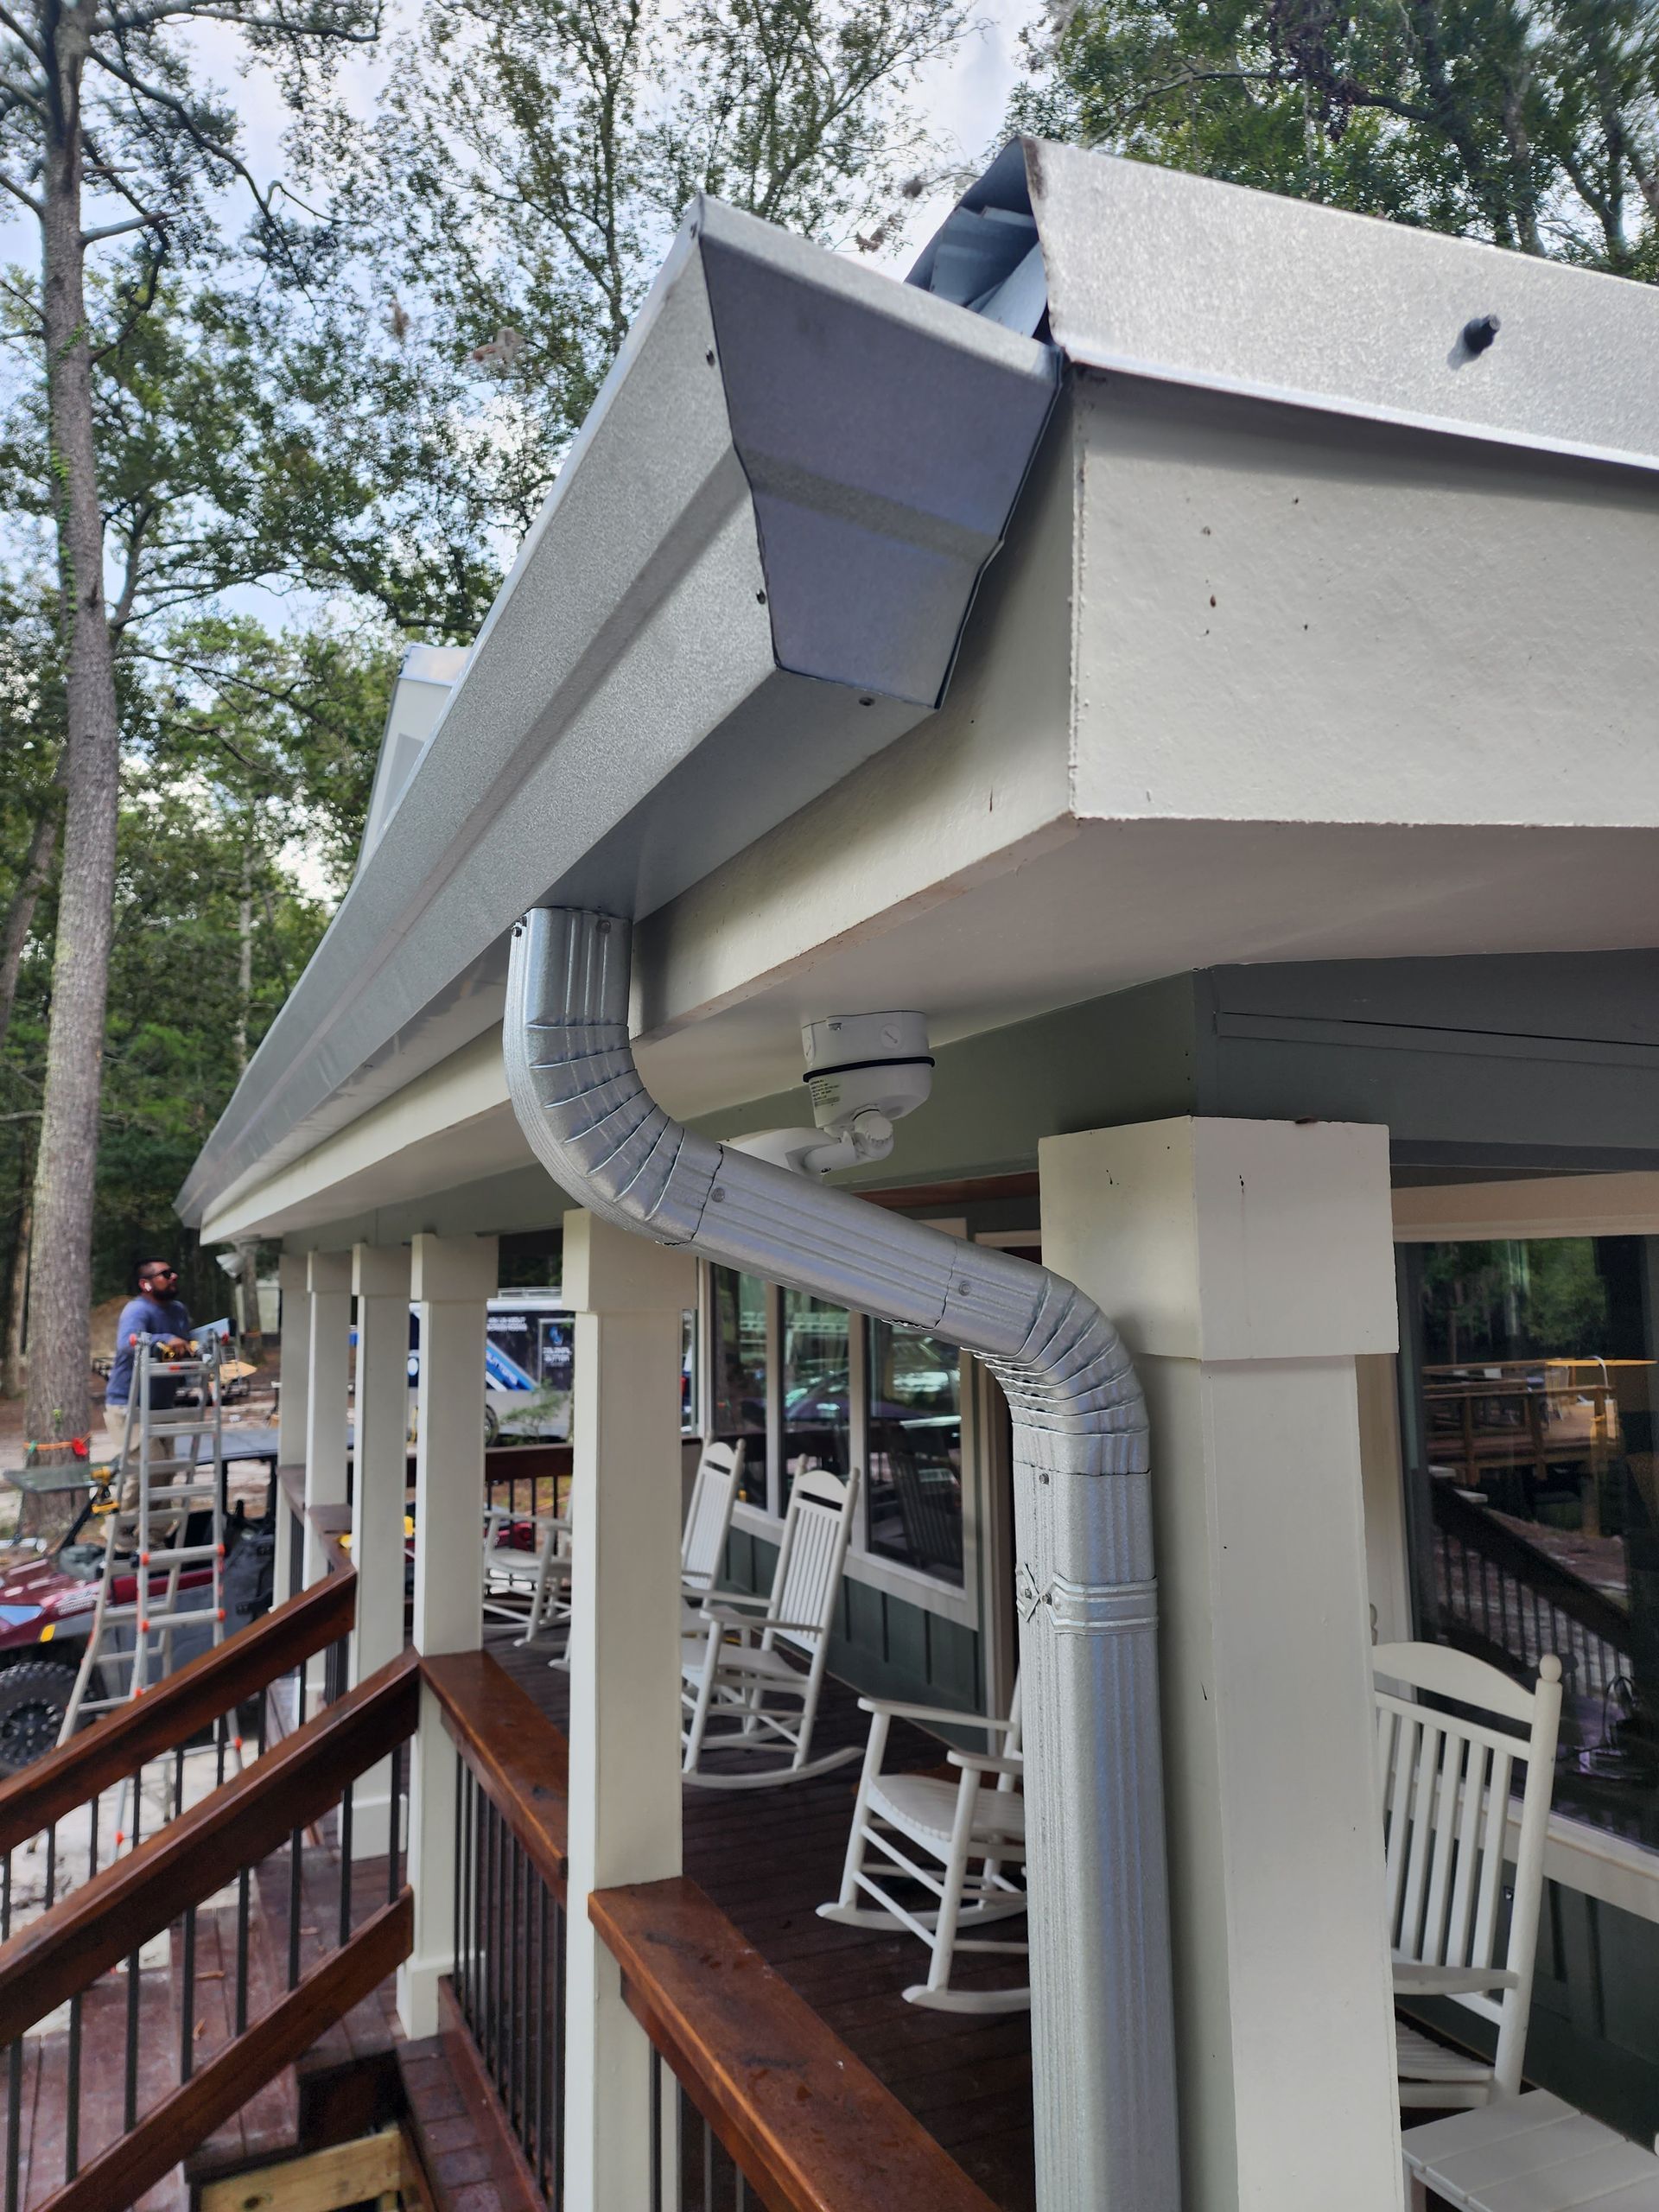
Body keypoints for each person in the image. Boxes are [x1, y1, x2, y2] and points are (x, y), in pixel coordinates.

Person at [104, 1261, 194, 1464]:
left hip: (162, 1405)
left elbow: (184, 1344)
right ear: (146, 1284)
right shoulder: (137, 1310)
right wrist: (164, 1339)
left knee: (167, 1468)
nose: (174, 1277)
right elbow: (128, 1343)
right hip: (128, 1405)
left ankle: (162, 1499)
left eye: (173, 1272)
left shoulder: (178, 1310)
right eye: (166, 1274)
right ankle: (122, 1497)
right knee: (147, 1467)